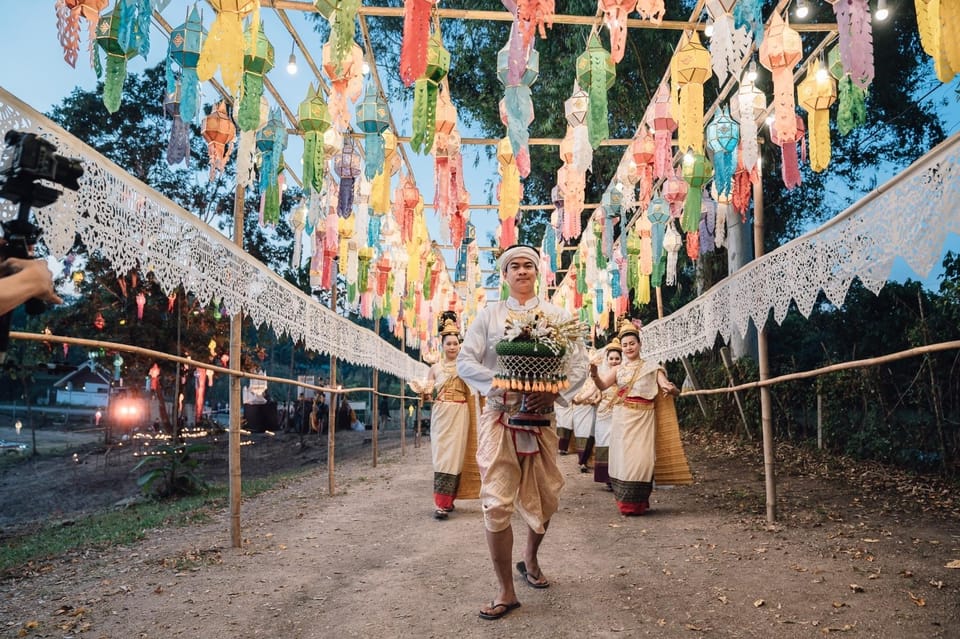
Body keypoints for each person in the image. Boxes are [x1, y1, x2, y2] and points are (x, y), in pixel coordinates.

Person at [457, 244, 587, 621]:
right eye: (514, 266)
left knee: (547, 498)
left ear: (537, 272)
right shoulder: (489, 316)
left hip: (542, 420)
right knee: (496, 502)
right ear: (505, 274)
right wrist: (499, 385)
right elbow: (466, 361)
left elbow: (578, 361)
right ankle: (505, 591)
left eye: (528, 265)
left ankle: (529, 556)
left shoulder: (557, 316)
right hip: (499, 417)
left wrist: (555, 396)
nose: (522, 271)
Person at [590, 320, 680, 516]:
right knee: (624, 460)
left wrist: (672, 389)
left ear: (639, 344)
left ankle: (639, 502)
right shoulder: (618, 369)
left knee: (642, 461)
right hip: (622, 418)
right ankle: (626, 504)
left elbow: (667, 385)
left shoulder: (651, 367)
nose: (629, 347)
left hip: (645, 418)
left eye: (632, 343)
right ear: (621, 349)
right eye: (625, 345)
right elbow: (603, 386)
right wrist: (595, 375)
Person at [423, 314, 480, 520]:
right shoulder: (434, 369)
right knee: (441, 457)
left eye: (456, 343)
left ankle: (446, 502)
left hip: (460, 412)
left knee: (455, 458)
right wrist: (425, 392)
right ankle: (440, 501)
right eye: (449, 344)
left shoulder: (465, 368)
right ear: (442, 345)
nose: (453, 347)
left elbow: (476, 390)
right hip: (441, 414)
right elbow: (427, 395)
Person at [592, 339, 622, 488]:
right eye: (611, 358)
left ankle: (618, 477)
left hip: (620, 414)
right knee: (604, 442)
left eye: (617, 358)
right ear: (607, 359)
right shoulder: (601, 374)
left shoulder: (626, 374)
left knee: (617, 444)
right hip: (604, 414)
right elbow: (597, 392)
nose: (614, 361)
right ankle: (607, 478)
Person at [570, 352, 601, 473]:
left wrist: (594, 401)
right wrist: (575, 399)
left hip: (590, 409)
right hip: (578, 409)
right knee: (580, 434)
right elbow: (572, 392)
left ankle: (584, 461)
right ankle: (581, 459)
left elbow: (598, 393)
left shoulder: (595, 380)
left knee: (589, 434)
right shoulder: (578, 380)